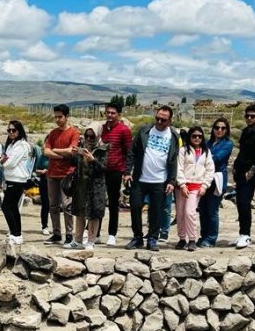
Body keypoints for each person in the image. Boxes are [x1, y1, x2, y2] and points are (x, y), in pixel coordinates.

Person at [125, 106, 180, 251]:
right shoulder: (144, 131)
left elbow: (174, 160)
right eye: (158, 118)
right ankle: (137, 237)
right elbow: (132, 152)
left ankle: (153, 238)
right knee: (135, 207)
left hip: (160, 180)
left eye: (163, 120)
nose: (160, 122)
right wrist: (127, 172)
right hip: (140, 178)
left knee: (156, 211)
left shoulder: (173, 136)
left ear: (170, 120)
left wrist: (172, 180)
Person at [231, 104, 255, 249]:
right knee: (240, 203)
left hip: (250, 174)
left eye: (252, 116)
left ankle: (246, 235)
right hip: (240, 172)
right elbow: (242, 152)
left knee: (245, 202)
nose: (249, 118)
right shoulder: (245, 131)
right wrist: (236, 167)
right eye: (247, 116)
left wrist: (252, 171)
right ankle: (242, 233)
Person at [65, 126, 108, 250]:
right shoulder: (82, 146)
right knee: (80, 211)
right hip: (81, 184)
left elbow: (104, 168)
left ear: (98, 135)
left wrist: (93, 160)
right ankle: (77, 240)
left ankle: (91, 240)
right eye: (87, 135)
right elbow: (74, 164)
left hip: (95, 186)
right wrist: (72, 155)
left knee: (94, 214)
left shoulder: (103, 148)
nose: (89, 139)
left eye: (92, 136)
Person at [43, 104, 79, 245]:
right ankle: (56, 233)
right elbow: (46, 151)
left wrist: (55, 150)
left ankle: (69, 234)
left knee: (67, 205)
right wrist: (61, 155)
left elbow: (71, 151)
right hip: (52, 173)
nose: (57, 119)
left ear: (67, 117)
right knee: (53, 205)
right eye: (56, 117)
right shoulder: (52, 133)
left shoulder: (74, 133)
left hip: (67, 174)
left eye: (60, 117)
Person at [175, 126, 214, 251]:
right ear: (189, 137)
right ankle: (182, 239)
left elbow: (210, 169)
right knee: (180, 213)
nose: (197, 138)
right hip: (182, 186)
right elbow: (179, 167)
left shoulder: (206, 151)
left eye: (200, 136)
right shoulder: (183, 150)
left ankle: (192, 239)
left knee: (190, 212)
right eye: (194, 136)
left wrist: (205, 185)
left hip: (196, 186)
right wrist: (181, 184)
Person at [99, 102, 133, 246]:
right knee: (98, 201)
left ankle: (112, 234)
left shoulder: (124, 130)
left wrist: (126, 172)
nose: (110, 115)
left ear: (119, 115)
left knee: (113, 203)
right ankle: (95, 231)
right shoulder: (102, 129)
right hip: (101, 169)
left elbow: (129, 152)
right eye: (108, 112)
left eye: (113, 113)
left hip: (116, 170)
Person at [199, 117, 233, 247]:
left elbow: (218, 158)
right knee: (203, 210)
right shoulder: (207, 143)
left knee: (212, 210)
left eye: (223, 128)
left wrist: (202, 158)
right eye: (217, 127)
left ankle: (211, 238)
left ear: (226, 130)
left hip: (217, 180)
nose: (219, 130)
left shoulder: (228, 144)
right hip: (204, 179)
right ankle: (203, 236)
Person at [0, 120, 33, 244]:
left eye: (14, 130)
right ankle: (16, 234)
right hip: (10, 178)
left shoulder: (22, 146)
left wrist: (3, 161)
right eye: (9, 130)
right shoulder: (11, 145)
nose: (11, 133)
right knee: (12, 207)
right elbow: (2, 161)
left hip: (17, 179)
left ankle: (15, 233)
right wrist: (3, 161)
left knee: (6, 206)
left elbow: (9, 163)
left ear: (19, 131)